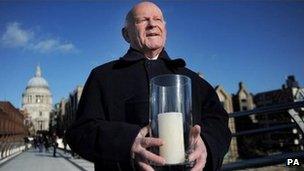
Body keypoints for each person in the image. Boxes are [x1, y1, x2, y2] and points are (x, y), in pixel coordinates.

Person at [66, 1, 231, 171]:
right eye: (142, 20)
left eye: (158, 19)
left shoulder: (192, 78)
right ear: (126, 34)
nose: (152, 24)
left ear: (164, 29)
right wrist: (128, 142)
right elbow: (80, 133)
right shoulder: (102, 76)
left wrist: (206, 145)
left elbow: (219, 123)